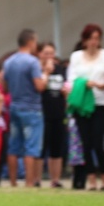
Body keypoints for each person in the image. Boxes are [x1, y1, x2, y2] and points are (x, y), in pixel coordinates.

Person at [67, 23, 104, 191]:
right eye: (91, 38)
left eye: (97, 38)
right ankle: (91, 179)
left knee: (98, 143)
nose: (94, 42)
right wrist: (85, 83)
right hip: (82, 104)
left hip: (99, 103)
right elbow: (71, 79)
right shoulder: (76, 57)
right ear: (85, 40)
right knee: (85, 143)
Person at [3, 29, 48, 188]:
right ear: (30, 42)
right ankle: (29, 182)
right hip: (31, 109)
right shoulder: (32, 62)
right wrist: (46, 74)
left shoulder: (9, 62)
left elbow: (5, 86)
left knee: (14, 146)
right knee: (31, 147)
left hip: (15, 106)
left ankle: (13, 182)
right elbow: (39, 86)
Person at [38, 41, 67, 188]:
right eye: (46, 53)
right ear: (40, 54)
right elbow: (39, 88)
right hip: (43, 112)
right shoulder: (37, 69)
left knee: (57, 148)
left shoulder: (60, 69)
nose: (49, 56)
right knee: (41, 148)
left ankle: (55, 179)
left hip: (59, 112)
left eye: (51, 53)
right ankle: (36, 179)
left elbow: (66, 86)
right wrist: (46, 72)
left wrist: (66, 92)